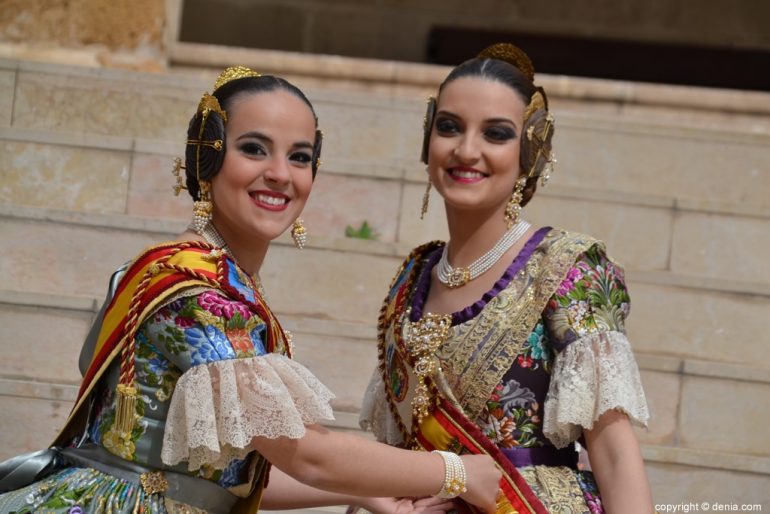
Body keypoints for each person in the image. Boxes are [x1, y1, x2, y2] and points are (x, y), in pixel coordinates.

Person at [0, 66, 502, 514]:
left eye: (299, 156)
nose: (280, 174)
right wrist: (454, 471)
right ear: (208, 156)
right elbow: (306, 454)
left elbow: (234, 481)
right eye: (254, 149)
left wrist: (364, 491)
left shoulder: (224, 282)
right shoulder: (196, 292)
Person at [359, 44, 656, 513]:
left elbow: (615, 454)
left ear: (529, 151)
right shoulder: (412, 278)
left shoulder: (566, 265)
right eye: (449, 127)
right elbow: (392, 446)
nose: (465, 150)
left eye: (495, 134)